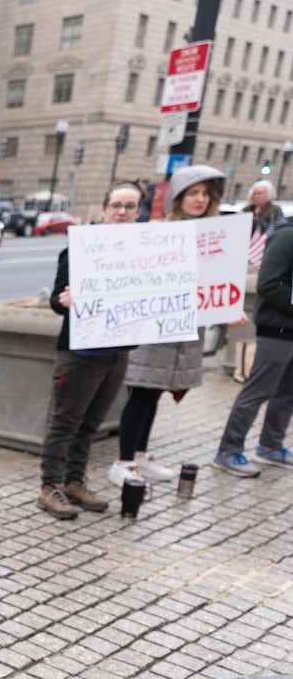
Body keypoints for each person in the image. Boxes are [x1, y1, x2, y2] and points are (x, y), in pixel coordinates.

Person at [108, 165, 223, 487]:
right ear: (178, 197)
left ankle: (140, 456)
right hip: (156, 325)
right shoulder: (160, 231)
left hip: (185, 328)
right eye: (193, 193)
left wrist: (227, 306)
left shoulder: (213, 234)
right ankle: (124, 461)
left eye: (204, 194)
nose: (199, 199)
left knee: (154, 392)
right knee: (143, 391)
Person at [36, 182, 141, 518]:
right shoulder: (80, 248)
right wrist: (63, 300)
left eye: (130, 206)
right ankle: (50, 485)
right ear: (104, 209)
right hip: (80, 354)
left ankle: (73, 481)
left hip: (117, 351)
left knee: (91, 423)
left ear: (138, 212)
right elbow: (55, 299)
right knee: (65, 422)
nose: (123, 212)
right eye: (117, 205)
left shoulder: (143, 252)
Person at [213, 219, 293, 477]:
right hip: (278, 329)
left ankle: (271, 445)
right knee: (259, 391)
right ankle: (228, 450)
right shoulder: (287, 236)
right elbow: (268, 284)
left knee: (287, 393)